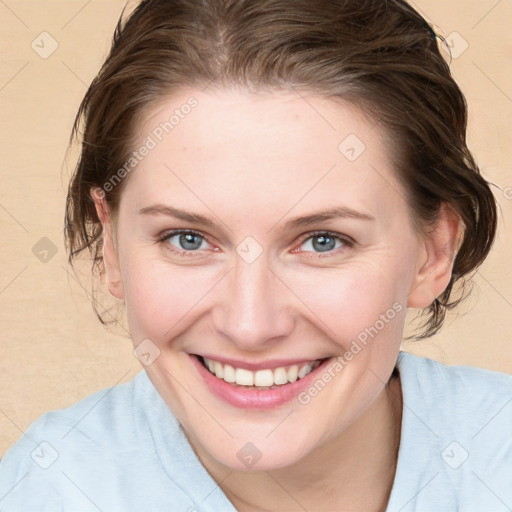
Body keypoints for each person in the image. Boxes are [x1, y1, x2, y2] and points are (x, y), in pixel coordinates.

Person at [0, 0, 510, 510]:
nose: (250, 326)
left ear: (433, 253)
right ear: (111, 247)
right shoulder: (46, 490)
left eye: (322, 241)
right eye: (188, 239)